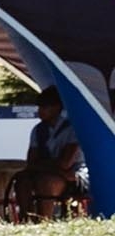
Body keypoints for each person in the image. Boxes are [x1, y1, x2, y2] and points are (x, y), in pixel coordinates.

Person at [16, 85, 89, 219]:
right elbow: (31, 162)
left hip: (77, 173)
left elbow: (66, 163)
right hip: (54, 173)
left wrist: (44, 164)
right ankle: (25, 219)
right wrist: (55, 167)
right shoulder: (37, 130)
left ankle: (44, 220)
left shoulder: (72, 128)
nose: (40, 111)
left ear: (57, 107)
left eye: (44, 107)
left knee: (47, 182)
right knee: (22, 179)